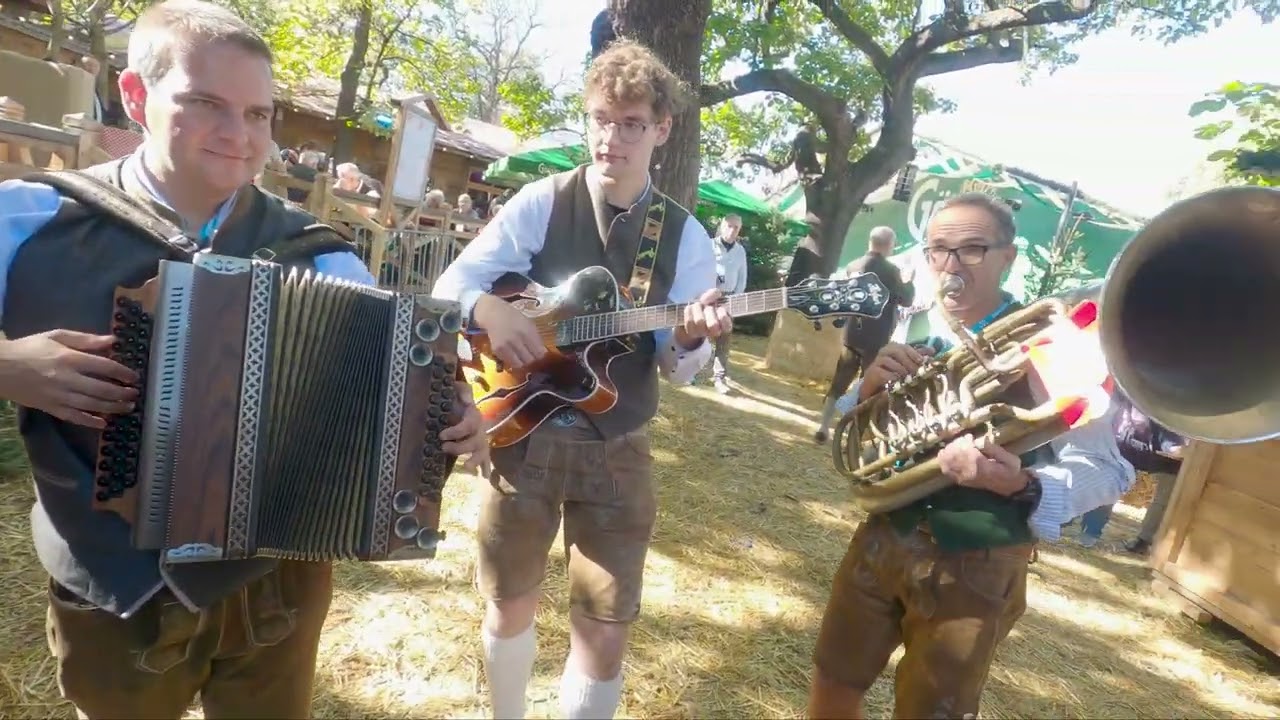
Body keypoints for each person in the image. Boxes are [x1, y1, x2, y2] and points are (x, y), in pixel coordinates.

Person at [0, 2, 487, 718]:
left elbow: (404, 378)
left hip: (273, 586)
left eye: (258, 114)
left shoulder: (319, 251)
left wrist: (452, 412)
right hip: (110, 588)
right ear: (136, 97)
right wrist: (8, 366)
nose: (238, 134)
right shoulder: (32, 218)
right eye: (206, 104)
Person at [432, 39, 726, 720]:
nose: (610, 137)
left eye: (629, 124)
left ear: (661, 129)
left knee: (604, 626)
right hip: (519, 431)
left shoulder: (685, 238)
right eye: (599, 119)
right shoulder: (543, 200)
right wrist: (487, 307)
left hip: (617, 447)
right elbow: (454, 283)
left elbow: (678, 368)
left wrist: (687, 339)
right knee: (509, 606)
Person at [808, 192, 1135, 719]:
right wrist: (864, 391)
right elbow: (861, 429)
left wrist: (1024, 486)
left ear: (1008, 257)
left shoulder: (1050, 345)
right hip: (883, 534)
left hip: (976, 562)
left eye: (973, 250)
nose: (952, 266)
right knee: (832, 682)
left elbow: (1111, 470)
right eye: (939, 250)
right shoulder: (915, 324)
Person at [813, 226, 914, 443]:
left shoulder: (853, 266)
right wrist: (909, 282)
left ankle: (823, 426)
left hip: (852, 334)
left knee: (839, 382)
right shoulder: (891, 271)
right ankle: (855, 434)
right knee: (868, 386)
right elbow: (906, 299)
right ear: (889, 245)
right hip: (875, 338)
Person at [710, 213, 747, 394]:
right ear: (722, 226)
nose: (732, 230)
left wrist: (737, 299)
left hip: (729, 298)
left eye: (736, 228)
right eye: (730, 226)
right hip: (708, 295)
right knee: (700, 333)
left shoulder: (740, 251)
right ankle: (689, 371)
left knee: (724, 338)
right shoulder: (709, 245)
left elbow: (742, 277)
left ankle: (719, 377)